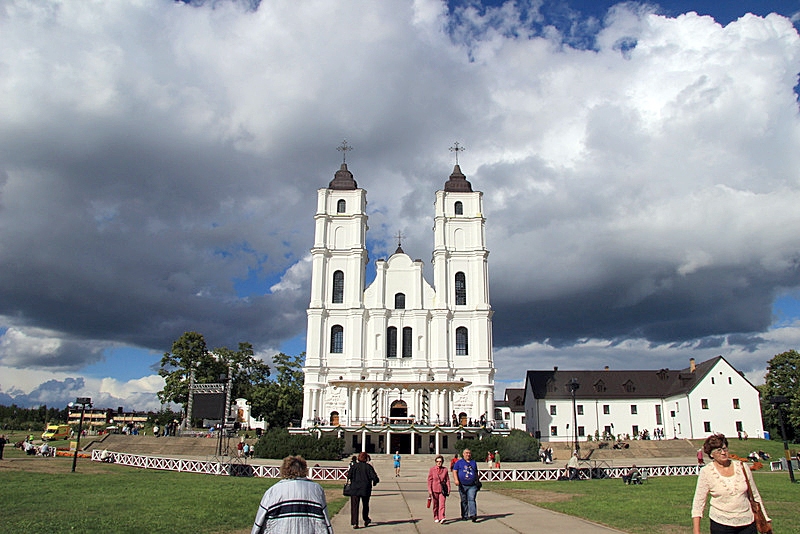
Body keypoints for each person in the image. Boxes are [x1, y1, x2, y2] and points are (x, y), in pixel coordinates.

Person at [691, 433, 771, 534]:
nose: (723, 453)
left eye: (725, 449)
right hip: (721, 523)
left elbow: (755, 496)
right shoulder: (706, 472)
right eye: (718, 450)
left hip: (747, 522)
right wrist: (696, 530)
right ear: (711, 454)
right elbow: (698, 502)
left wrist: (766, 519)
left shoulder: (742, 467)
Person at [250, 455, 332, 534]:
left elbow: (258, 523)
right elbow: (326, 522)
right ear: (304, 469)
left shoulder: (273, 491)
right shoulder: (317, 490)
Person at [348, 451, 380, 529]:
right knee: (365, 505)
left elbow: (349, 476)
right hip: (365, 489)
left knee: (354, 506)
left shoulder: (354, 466)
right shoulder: (368, 467)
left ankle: (355, 522)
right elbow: (374, 477)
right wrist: (375, 482)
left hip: (355, 489)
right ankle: (366, 519)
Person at [452, 448, 480, 522]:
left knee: (471, 499)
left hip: (472, 485)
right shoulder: (459, 462)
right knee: (464, 500)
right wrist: (456, 480)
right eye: (466, 453)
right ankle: (464, 515)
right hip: (462, 485)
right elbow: (454, 471)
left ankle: (473, 515)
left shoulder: (473, 462)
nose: (468, 454)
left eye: (469, 453)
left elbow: (476, 472)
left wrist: (477, 481)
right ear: (463, 454)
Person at [427, 454, 451, 524]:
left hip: (442, 490)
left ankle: (442, 517)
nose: (439, 463)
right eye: (437, 461)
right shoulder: (432, 469)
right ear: (435, 462)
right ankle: (436, 516)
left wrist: (449, 489)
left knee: (442, 504)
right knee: (435, 505)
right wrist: (430, 490)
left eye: (440, 461)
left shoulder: (445, 470)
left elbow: (447, 480)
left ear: (442, 462)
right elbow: (429, 480)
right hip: (434, 489)